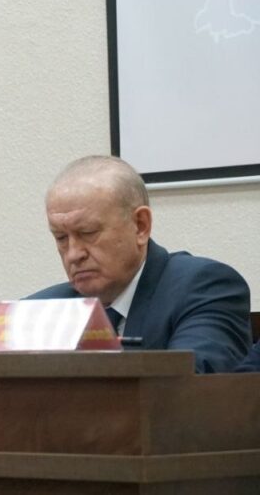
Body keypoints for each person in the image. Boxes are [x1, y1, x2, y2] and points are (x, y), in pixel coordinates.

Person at [28, 155, 250, 373]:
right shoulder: (40, 311)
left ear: (140, 226)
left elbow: (186, 382)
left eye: (88, 232)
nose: (73, 254)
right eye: (61, 238)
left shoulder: (205, 288)